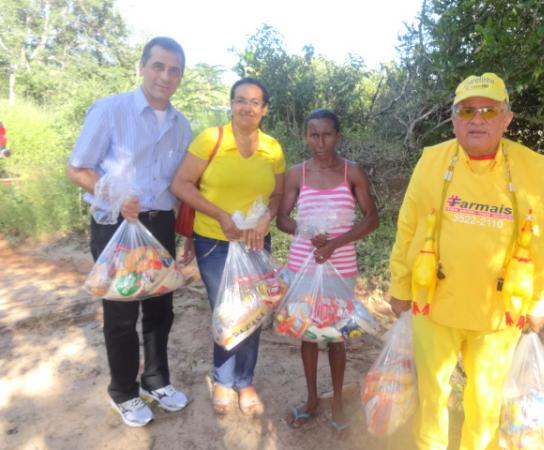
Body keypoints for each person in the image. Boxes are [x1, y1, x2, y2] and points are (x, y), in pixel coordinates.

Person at [388, 73, 544, 449]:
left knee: (484, 403)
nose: (477, 119)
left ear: (506, 118)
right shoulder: (432, 160)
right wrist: (399, 284)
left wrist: (543, 299)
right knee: (432, 396)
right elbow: (408, 225)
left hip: (498, 312)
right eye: (467, 111)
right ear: (453, 120)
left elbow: (542, 236)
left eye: (488, 110)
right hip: (433, 302)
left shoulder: (528, 166)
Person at [67, 37, 193, 427]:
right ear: (142, 67)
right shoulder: (111, 110)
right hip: (116, 225)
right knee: (121, 313)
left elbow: (182, 185)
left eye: (174, 70)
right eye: (158, 66)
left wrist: (186, 233)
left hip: (160, 226)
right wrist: (117, 195)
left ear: (180, 77)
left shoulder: (181, 125)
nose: (165, 76)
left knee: (160, 309)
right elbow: (78, 168)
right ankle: (123, 391)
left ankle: (156, 380)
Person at [170, 77, 285, 416]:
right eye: (240, 100)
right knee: (227, 311)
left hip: (256, 241)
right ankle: (223, 379)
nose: (247, 107)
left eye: (254, 102)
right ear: (231, 104)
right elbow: (181, 184)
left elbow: (277, 196)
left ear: (264, 109)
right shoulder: (211, 139)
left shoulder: (273, 148)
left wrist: (266, 219)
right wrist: (220, 215)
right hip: (215, 242)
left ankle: (245, 380)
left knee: (254, 311)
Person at [277, 108, 379, 433]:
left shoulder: (353, 173)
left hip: (341, 266)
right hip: (304, 266)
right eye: (313, 135)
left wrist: (336, 243)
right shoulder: (297, 174)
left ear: (339, 136)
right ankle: (311, 399)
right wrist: (307, 232)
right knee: (307, 333)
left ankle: (336, 399)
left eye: (327, 135)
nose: (320, 142)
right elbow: (282, 219)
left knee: (337, 336)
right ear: (306, 137)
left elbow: (371, 219)